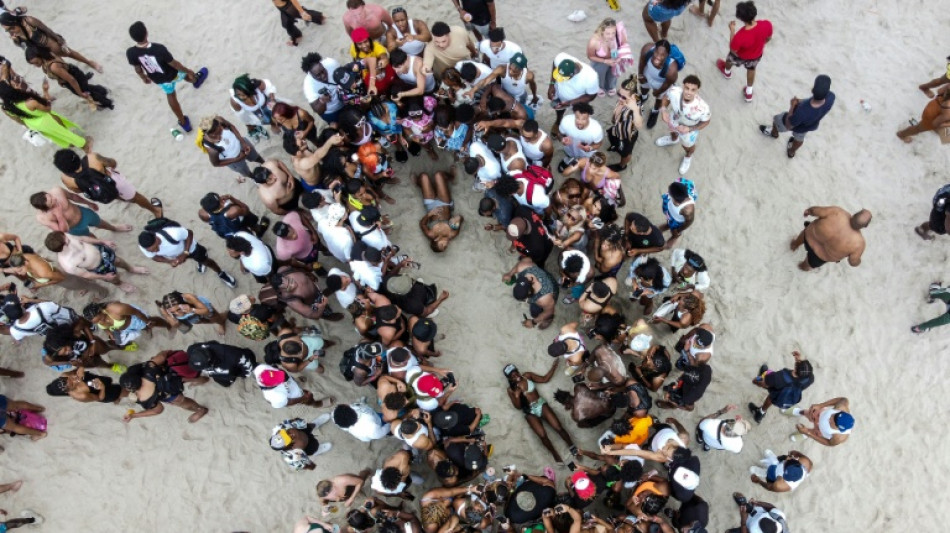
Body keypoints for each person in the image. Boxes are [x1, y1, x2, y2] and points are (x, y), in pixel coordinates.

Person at [125, 21, 208, 131]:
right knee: (184, 75)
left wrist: (143, 77)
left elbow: (137, 68)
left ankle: (183, 123)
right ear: (146, 33)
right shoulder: (159, 49)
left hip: (158, 79)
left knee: (170, 95)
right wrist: (188, 70)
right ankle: (196, 81)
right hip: (173, 73)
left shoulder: (130, 52)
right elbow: (174, 64)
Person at [53, 148, 161, 219]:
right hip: (114, 182)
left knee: (115, 195)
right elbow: (113, 163)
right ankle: (155, 210)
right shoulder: (92, 157)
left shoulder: (66, 179)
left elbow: (78, 190)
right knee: (135, 197)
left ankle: (124, 199)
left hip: (100, 192)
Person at [504, 362, 577, 464]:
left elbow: (544, 379)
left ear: (517, 371)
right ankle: (555, 454)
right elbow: (518, 407)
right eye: (512, 376)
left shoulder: (527, 376)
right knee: (542, 435)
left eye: (515, 372)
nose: (515, 376)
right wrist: (517, 395)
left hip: (540, 404)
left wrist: (553, 367)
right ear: (509, 379)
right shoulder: (510, 390)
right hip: (529, 412)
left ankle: (571, 445)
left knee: (558, 427)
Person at [137, 219, 238, 288]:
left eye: (156, 247)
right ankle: (199, 261)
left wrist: (185, 253)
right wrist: (169, 261)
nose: (156, 251)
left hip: (191, 248)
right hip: (177, 255)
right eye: (152, 250)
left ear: (156, 238)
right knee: (197, 259)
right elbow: (154, 257)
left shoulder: (173, 233)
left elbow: (189, 233)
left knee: (206, 260)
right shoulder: (144, 246)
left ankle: (220, 272)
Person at [45, 231, 147, 294]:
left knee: (118, 260)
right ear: (63, 247)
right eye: (66, 240)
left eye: (65, 236)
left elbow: (82, 239)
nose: (68, 237)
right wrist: (104, 277)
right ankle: (120, 284)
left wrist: (102, 241)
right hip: (99, 267)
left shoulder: (64, 236)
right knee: (112, 277)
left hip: (101, 251)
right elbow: (86, 274)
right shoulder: (68, 264)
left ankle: (131, 269)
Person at [759, 74, 835, 158]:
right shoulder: (831, 97)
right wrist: (799, 101)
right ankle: (791, 152)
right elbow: (812, 101)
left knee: (777, 120)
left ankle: (774, 133)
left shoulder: (802, 111)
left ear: (812, 89)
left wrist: (792, 105)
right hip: (810, 125)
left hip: (794, 120)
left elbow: (788, 125)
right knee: (799, 138)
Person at [120, 352, 209, 423]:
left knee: (182, 402)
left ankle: (200, 410)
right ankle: (202, 380)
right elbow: (162, 356)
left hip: (170, 393)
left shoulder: (143, 399)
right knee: (188, 378)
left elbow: (158, 410)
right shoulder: (148, 369)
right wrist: (169, 352)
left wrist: (134, 415)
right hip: (174, 376)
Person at [0, 10, 100, 71]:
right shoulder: (14, 34)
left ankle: (89, 62)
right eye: (7, 30)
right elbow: (22, 46)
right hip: (41, 53)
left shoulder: (29, 21)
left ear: (14, 21)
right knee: (61, 67)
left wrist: (57, 38)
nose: (10, 31)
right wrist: (15, 40)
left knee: (70, 53)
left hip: (50, 44)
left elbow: (45, 29)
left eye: (11, 28)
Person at [24, 44, 113, 110]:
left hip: (74, 77)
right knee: (87, 88)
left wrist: (80, 93)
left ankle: (108, 103)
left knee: (87, 93)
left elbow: (71, 79)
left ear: (40, 56)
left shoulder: (53, 66)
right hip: (73, 73)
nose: (35, 65)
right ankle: (103, 90)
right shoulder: (48, 56)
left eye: (36, 62)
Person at [0, 82, 88, 148]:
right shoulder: (29, 102)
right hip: (45, 119)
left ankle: (71, 145)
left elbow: (17, 120)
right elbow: (47, 108)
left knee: (56, 136)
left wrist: (28, 125)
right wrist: (45, 91)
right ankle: (84, 145)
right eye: (13, 85)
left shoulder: (5, 107)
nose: (16, 84)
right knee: (64, 132)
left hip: (33, 124)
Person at [715, 1, 772, 102]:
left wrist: (732, 30)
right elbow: (768, 38)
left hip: (740, 55)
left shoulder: (740, 36)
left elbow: (733, 49)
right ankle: (749, 92)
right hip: (756, 55)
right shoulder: (766, 24)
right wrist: (760, 46)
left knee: (729, 59)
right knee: (751, 69)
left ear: (741, 18)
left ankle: (727, 72)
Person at [656, 75, 711, 174]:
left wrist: (690, 129)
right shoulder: (674, 91)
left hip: (689, 130)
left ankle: (688, 157)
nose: (689, 92)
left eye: (693, 90)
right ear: (683, 86)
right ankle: (673, 139)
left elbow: (706, 121)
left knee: (688, 147)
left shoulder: (702, 108)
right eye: (687, 88)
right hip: (674, 119)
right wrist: (663, 110)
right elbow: (666, 97)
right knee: (672, 131)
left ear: (697, 90)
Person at [790, 206, 871, 271]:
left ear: (854, 214)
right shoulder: (859, 244)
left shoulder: (837, 212)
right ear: (865, 226)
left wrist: (809, 211)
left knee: (802, 235)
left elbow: (816, 211)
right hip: (820, 257)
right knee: (808, 264)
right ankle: (802, 267)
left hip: (809, 237)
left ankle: (794, 245)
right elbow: (852, 261)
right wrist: (858, 262)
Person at [2, 251, 108, 300]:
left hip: (62, 277)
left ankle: (103, 291)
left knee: (82, 284)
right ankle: (84, 284)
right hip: (54, 268)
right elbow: (40, 257)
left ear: (25, 263)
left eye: (20, 270)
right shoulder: (24, 256)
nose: (20, 273)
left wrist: (40, 285)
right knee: (81, 281)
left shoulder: (43, 272)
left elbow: (61, 278)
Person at [31, 187, 132, 237]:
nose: (54, 199)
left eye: (50, 196)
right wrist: (59, 215)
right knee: (90, 237)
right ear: (45, 208)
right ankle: (102, 243)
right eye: (51, 202)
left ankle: (114, 228)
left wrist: (88, 203)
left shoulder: (57, 191)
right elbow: (62, 231)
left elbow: (73, 197)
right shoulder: (42, 217)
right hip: (74, 228)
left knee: (100, 222)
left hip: (82, 213)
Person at [748, 351, 814, 423]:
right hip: (788, 396)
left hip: (776, 393)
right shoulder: (810, 378)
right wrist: (799, 363)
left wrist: (755, 381)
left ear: (795, 368)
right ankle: (761, 413)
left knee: (771, 397)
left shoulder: (781, 377)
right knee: (774, 395)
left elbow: (764, 383)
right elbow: (800, 375)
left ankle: (760, 413)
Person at [198, 115, 264, 183]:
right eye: (216, 134)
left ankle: (264, 163)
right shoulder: (212, 149)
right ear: (210, 135)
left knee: (256, 157)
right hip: (234, 161)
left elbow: (231, 126)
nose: (220, 135)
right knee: (245, 171)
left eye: (220, 129)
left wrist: (243, 142)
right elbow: (216, 163)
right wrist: (237, 159)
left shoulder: (219, 120)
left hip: (241, 144)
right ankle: (253, 177)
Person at [82, 301, 170, 350]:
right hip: (125, 328)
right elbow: (105, 328)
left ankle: (167, 324)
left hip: (134, 320)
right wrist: (109, 333)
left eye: (101, 318)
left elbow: (136, 312)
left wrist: (147, 322)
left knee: (152, 322)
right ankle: (146, 328)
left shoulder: (118, 309)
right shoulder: (98, 321)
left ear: (101, 311)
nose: (101, 322)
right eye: (97, 322)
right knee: (144, 328)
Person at [549, 53, 600, 134]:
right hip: (560, 94)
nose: (560, 79)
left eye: (563, 78)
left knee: (579, 116)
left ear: (574, 74)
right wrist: (551, 84)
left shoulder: (590, 77)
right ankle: (558, 122)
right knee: (559, 109)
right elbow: (555, 64)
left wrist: (570, 102)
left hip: (578, 101)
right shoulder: (560, 58)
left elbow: (591, 96)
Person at [636, 39, 680, 129]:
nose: (658, 57)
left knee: (659, 99)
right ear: (654, 49)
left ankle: (655, 111)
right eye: (657, 53)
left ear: (667, 55)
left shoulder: (671, 70)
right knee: (643, 87)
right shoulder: (647, 49)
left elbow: (667, 84)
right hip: (647, 73)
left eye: (662, 55)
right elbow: (642, 62)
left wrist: (659, 91)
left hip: (661, 83)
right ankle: (644, 97)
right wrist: (640, 75)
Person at [416, 171, 463, 253]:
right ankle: (451, 177)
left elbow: (422, 224)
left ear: (436, 240)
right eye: (445, 247)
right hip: (445, 203)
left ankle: (418, 183)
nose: (446, 245)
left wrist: (429, 214)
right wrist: (457, 219)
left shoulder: (430, 234)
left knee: (424, 176)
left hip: (431, 205)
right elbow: (461, 218)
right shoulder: (452, 234)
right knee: (438, 175)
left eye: (442, 245)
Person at [505, 257, 558, 329]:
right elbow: (527, 259)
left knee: (535, 313)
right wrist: (510, 274)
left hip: (552, 288)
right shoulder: (523, 267)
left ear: (529, 293)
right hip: (543, 274)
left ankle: (548, 319)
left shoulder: (543, 299)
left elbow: (549, 311)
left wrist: (533, 322)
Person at [587, 19, 633, 97]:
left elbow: (625, 44)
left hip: (613, 57)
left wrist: (618, 58)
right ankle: (600, 87)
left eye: (613, 33)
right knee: (599, 73)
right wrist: (605, 61)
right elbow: (590, 56)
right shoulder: (594, 41)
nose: (611, 36)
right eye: (607, 33)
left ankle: (610, 86)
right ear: (602, 31)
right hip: (599, 61)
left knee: (613, 72)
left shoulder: (619, 34)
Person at [253, 363, 332, 409]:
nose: (282, 377)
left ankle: (297, 381)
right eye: (279, 379)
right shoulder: (276, 397)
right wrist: (303, 398)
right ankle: (316, 404)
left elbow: (280, 372)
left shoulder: (261, 368)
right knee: (308, 398)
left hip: (289, 383)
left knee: (292, 381)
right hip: (293, 394)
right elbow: (289, 402)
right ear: (272, 385)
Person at [269, 415, 333, 471]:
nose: (292, 434)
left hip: (301, 429)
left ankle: (316, 424)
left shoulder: (280, 428)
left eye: (287, 433)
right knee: (314, 447)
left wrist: (297, 421)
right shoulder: (292, 456)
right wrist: (310, 465)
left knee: (309, 426)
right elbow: (301, 466)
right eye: (290, 439)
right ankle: (317, 450)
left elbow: (290, 421)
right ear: (291, 447)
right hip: (308, 447)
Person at [606, 76, 644, 171]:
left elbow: (639, 125)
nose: (620, 98)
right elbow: (614, 119)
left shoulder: (636, 107)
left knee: (625, 153)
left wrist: (635, 110)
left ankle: (622, 166)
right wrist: (620, 105)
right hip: (616, 130)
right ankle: (615, 146)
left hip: (627, 136)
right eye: (619, 94)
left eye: (623, 97)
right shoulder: (622, 100)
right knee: (613, 140)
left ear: (633, 96)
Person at [198, 192, 269, 241]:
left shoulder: (203, 213)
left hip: (231, 230)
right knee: (251, 223)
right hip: (240, 221)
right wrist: (231, 198)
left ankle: (256, 237)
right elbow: (246, 210)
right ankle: (259, 232)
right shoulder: (233, 211)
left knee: (247, 238)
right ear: (221, 202)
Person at [186, 340, 257, 387]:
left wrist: (244, 375)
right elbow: (213, 342)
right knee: (225, 383)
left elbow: (247, 365)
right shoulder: (192, 349)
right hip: (218, 373)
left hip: (234, 367)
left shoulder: (233, 355)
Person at [787, 396, 853, 446]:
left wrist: (808, 433)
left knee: (816, 433)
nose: (829, 419)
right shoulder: (841, 407)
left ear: (838, 428)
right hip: (821, 414)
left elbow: (829, 443)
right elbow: (843, 399)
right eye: (833, 415)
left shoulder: (838, 438)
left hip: (822, 430)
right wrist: (821, 405)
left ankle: (806, 433)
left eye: (831, 422)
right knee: (813, 412)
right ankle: (800, 412)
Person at [157, 291, 227, 335]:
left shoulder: (188, 297)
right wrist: (167, 316)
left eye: (178, 309)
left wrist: (191, 310)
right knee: (202, 321)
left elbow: (206, 311)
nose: (177, 313)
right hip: (191, 316)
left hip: (199, 308)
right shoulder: (166, 310)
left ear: (182, 303)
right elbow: (176, 325)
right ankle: (220, 319)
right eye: (173, 312)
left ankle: (222, 321)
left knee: (214, 318)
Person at [301, 52, 344, 125]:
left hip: (345, 101)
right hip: (332, 112)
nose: (323, 76)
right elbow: (318, 110)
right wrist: (322, 102)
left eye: (323, 71)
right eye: (318, 75)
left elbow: (344, 74)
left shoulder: (331, 63)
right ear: (311, 74)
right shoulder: (308, 86)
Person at [47, 366, 126, 404]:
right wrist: (102, 388)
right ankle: (117, 397)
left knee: (109, 380)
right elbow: (99, 398)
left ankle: (117, 397)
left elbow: (79, 367)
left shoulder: (64, 375)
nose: (74, 379)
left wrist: (80, 370)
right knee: (122, 391)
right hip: (104, 393)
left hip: (96, 380)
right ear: (68, 390)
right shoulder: (80, 395)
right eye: (72, 383)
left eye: (70, 378)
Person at [558, 102, 604, 168]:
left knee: (584, 166)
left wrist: (590, 148)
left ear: (589, 116)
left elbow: (599, 143)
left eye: (583, 119)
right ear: (574, 114)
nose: (579, 122)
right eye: (577, 117)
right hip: (570, 148)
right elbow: (559, 134)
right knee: (569, 154)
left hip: (586, 154)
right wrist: (562, 139)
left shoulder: (596, 129)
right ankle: (569, 159)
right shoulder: (566, 120)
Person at [659, 180, 696, 247]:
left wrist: (678, 230)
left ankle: (671, 240)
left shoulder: (687, 210)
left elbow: (689, 222)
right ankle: (667, 226)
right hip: (672, 215)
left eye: (669, 193)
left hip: (677, 222)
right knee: (668, 223)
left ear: (675, 200)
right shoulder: (680, 185)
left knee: (675, 233)